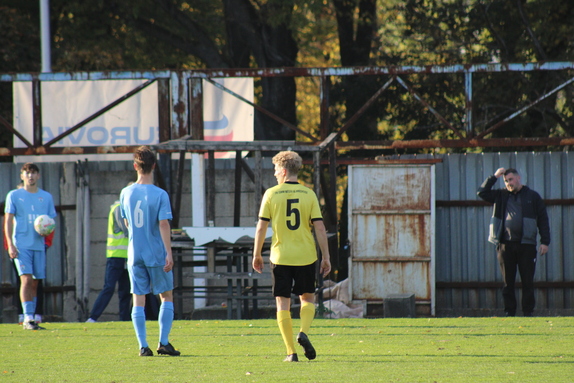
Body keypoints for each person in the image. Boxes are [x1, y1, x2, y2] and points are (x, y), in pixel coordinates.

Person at [252, 151, 331, 362]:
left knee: (282, 303)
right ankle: (303, 331)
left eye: (276, 170)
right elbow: (320, 228)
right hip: (306, 255)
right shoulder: (310, 194)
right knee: (307, 298)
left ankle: (291, 352)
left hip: (280, 257)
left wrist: (257, 253)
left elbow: (261, 228)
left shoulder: (271, 194)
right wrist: (326, 257)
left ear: (284, 171)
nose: (275, 174)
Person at [120, 146, 180, 357]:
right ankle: (163, 342)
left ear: (135, 166)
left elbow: (127, 222)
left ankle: (143, 346)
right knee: (166, 296)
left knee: (138, 299)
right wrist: (168, 253)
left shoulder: (125, 193)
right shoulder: (159, 194)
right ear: (154, 166)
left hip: (134, 253)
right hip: (155, 253)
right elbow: (163, 224)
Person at [477, 167, 550, 317]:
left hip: (527, 244)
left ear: (518, 178)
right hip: (505, 244)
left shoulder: (532, 196)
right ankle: (509, 312)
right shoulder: (501, 195)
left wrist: (545, 242)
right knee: (507, 282)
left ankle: (528, 312)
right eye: (505, 181)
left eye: (510, 179)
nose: (508, 183)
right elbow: (482, 192)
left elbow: (543, 219)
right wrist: (495, 176)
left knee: (527, 281)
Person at [4, 163, 56, 330]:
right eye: (27, 173)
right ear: (22, 175)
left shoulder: (46, 197)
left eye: (33, 173)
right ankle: (27, 318)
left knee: (35, 282)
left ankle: (32, 317)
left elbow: (50, 223)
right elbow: (8, 221)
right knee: (25, 279)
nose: (30, 176)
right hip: (21, 245)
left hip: (38, 246)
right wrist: (10, 244)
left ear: (38, 176)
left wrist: (45, 232)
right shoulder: (14, 195)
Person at [86, 199, 132, 322]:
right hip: (116, 256)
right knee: (109, 288)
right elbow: (127, 230)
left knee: (125, 291)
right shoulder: (119, 208)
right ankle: (93, 317)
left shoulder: (127, 209)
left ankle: (125, 320)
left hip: (127, 256)